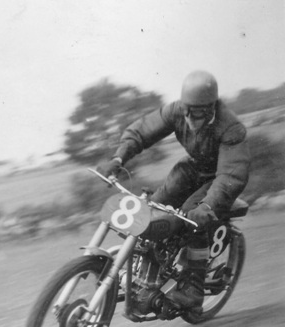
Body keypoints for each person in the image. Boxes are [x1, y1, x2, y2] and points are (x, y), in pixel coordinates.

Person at [97, 70, 250, 312]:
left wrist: (207, 206)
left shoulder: (231, 128)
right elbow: (141, 131)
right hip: (192, 169)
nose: (189, 117)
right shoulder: (176, 110)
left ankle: (193, 290)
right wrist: (118, 158)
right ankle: (150, 271)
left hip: (218, 179)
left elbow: (231, 175)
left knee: (193, 218)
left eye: (197, 112)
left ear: (211, 108)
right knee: (151, 212)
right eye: (186, 109)